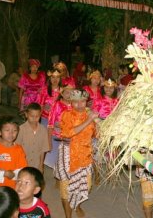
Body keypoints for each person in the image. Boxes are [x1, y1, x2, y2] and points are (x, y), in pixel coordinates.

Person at [55, 89, 98, 218]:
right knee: (65, 189)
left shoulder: (90, 115)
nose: (79, 105)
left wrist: (99, 125)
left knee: (86, 185)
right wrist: (89, 120)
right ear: (71, 102)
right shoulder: (66, 114)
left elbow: (96, 135)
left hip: (85, 155)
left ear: (87, 102)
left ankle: (77, 205)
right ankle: (68, 216)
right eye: (76, 102)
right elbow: (68, 133)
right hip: (68, 155)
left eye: (83, 101)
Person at [0, 115, 27, 190]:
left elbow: (23, 170)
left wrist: (13, 175)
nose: (11, 134)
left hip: (12, 189)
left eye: (14, 131)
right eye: (7, 130)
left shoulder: (19, 149)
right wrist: (4, 173)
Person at [44, 83, 73, 169]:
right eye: (67, 93)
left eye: (71, 93)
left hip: (69, 138)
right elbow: (50, 124)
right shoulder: (56, 105)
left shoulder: (74, 106)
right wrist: (49, 142)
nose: (69, 95)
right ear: (62, 94)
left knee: (65, 166)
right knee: (56, 165)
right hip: (57, 138)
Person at [16, 103, 50, 173]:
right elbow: (16, 148)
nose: (34, 119)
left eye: (37, 116)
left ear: (40, 115)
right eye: (32, 116)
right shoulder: (21, 129)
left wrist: (41, 166)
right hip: (23, 164)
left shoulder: (43, 130)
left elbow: (43, 150)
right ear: (26, 115)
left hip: (36, 165)